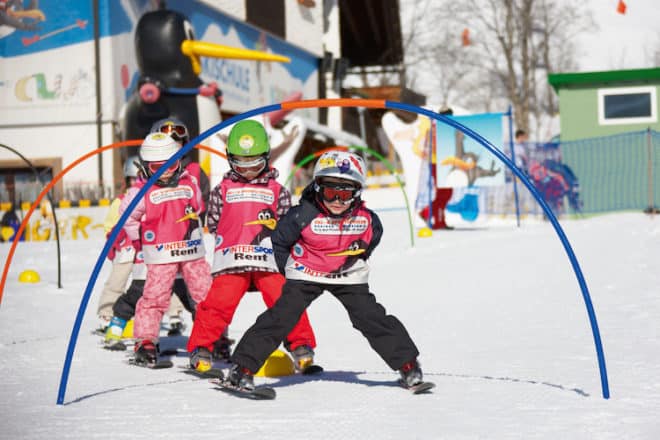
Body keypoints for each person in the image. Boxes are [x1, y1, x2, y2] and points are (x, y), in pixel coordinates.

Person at [226, 150, 424, 391]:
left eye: (346, 193)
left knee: (370, 317)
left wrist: (354, 260)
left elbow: (371, 240)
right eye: (331, 192)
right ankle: (243, 368)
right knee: (282, 316)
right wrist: (290, 269)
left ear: (357, 192)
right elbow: (279, 242)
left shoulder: (367, 220)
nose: (338, 200)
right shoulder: (302, 215)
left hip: (348, 276)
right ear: (318, 188)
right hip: (305, 273)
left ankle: (408, 366)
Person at [186, 120, 316, 373]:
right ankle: (202, 347)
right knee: (218, 303)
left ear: (266, 158)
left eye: (254, 164)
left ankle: (300, 345)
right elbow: (213, 222)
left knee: (286, 300)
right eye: (240, 164)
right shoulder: (221, 190)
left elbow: (286, 223)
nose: (247, 171)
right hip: (232, 260)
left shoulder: (277, 191)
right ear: (230, 160)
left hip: (268, 261)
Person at [120, 132, 212, 365]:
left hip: (191, 251)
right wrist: (137, 240)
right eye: (158, 167)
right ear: (146, 167)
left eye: (171, 165)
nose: (166, 172)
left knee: (205, 293)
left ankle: (211, 337)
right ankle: (146, 340)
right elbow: (128, 218)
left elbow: (198, 206)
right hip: (161, 254)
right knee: (155, 296)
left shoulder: (189, 182)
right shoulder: (140, 193)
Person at [94, 156, 141, 334]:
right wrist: (114, 243)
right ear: (128, 179)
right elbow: (110, 225)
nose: (137, 182)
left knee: (157, 280)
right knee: (117, 280)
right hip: (126, 247)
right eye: (133, 179)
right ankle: (107, 313)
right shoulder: (120, 201)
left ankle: (173, 314)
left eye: (140, 178)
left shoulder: (150, 197)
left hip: (146, 248)